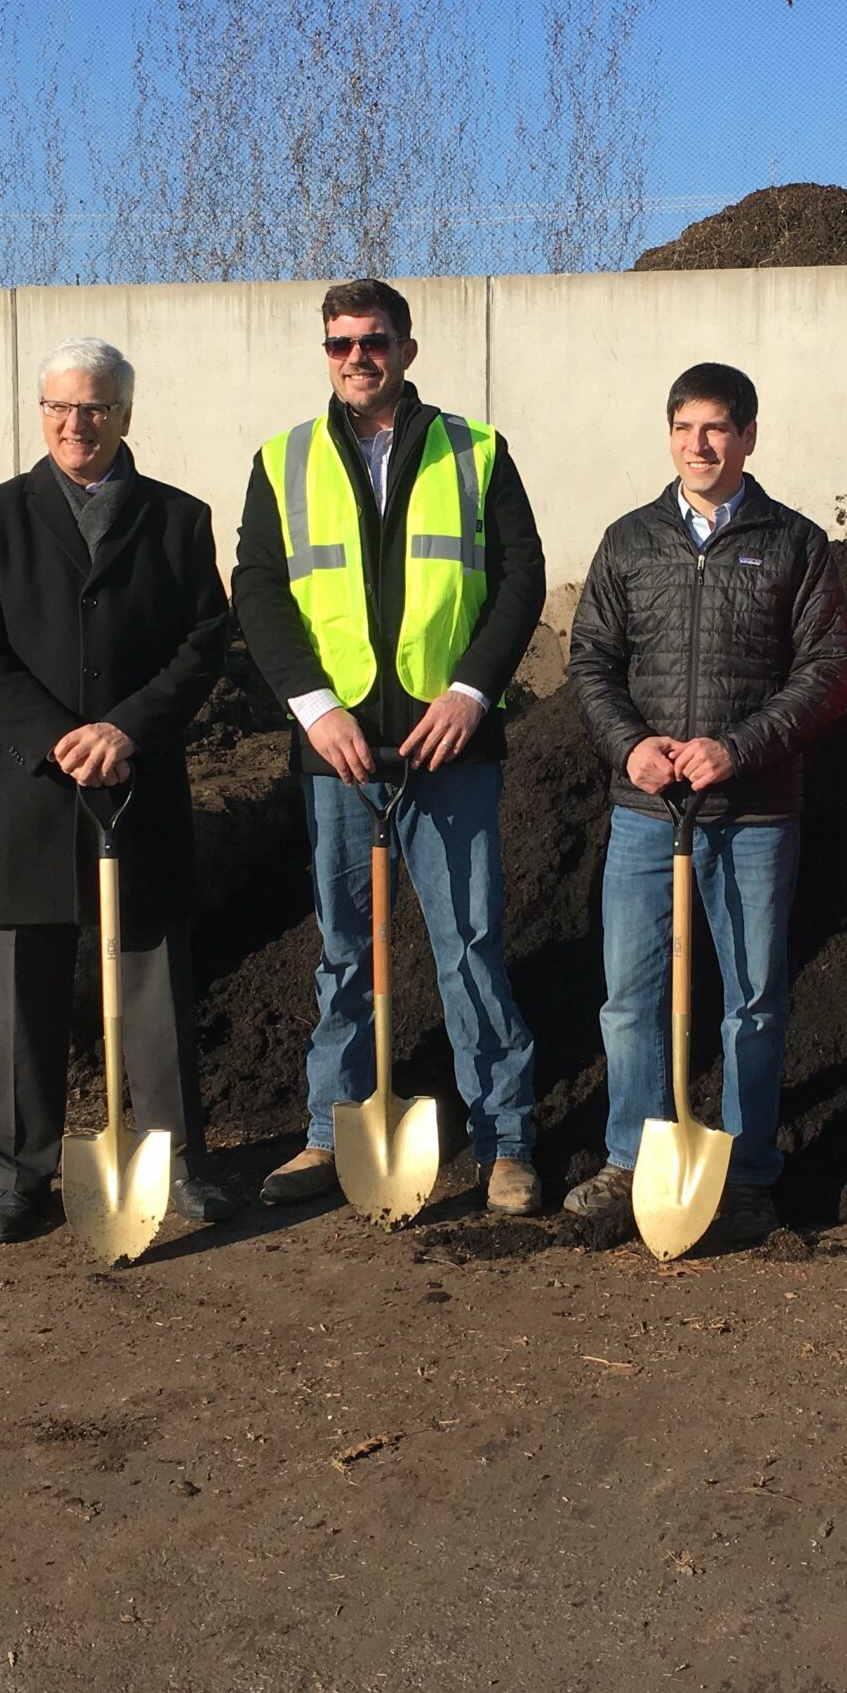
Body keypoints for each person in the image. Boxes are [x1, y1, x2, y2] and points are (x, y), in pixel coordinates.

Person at [229, 279, 548, 1213]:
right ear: (325, 353)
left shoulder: (476, 451)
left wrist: (469, 693)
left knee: (472, 946)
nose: (356, 356)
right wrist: (314, 708)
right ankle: (331, 1131)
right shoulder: (283, 460)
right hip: (338, 751)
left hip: (448, 747)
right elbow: (258, 590)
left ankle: (507, 1141)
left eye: (373, 340)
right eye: (339, 344)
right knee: (342, 951)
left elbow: (522, 580)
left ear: (408, 348)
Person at [0, 336, 233, 1243]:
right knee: (25, 994)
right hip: (31, 791)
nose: (78, 425)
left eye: (96, 408)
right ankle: (20, 1177)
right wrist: (54, 737)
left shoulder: (179, 519)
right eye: (61, 408)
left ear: (126, 415)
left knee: (152, 981)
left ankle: (174, 1158)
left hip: (137, 782)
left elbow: (203, 644)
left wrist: (127, 729)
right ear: (41, 414)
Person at [563, 362, 847, 1242]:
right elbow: (590, 664)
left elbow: (828, 672)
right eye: (684, 427)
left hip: (755, 814)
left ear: (749, 437)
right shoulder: (629, 540)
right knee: (631, 995)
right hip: (646, 811)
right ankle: (633, 1158)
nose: (699, 444)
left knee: (753, 998)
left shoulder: (794, 543)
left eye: (717, 428)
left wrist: (736, 748)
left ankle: (749, 1167)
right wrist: (631, 747)